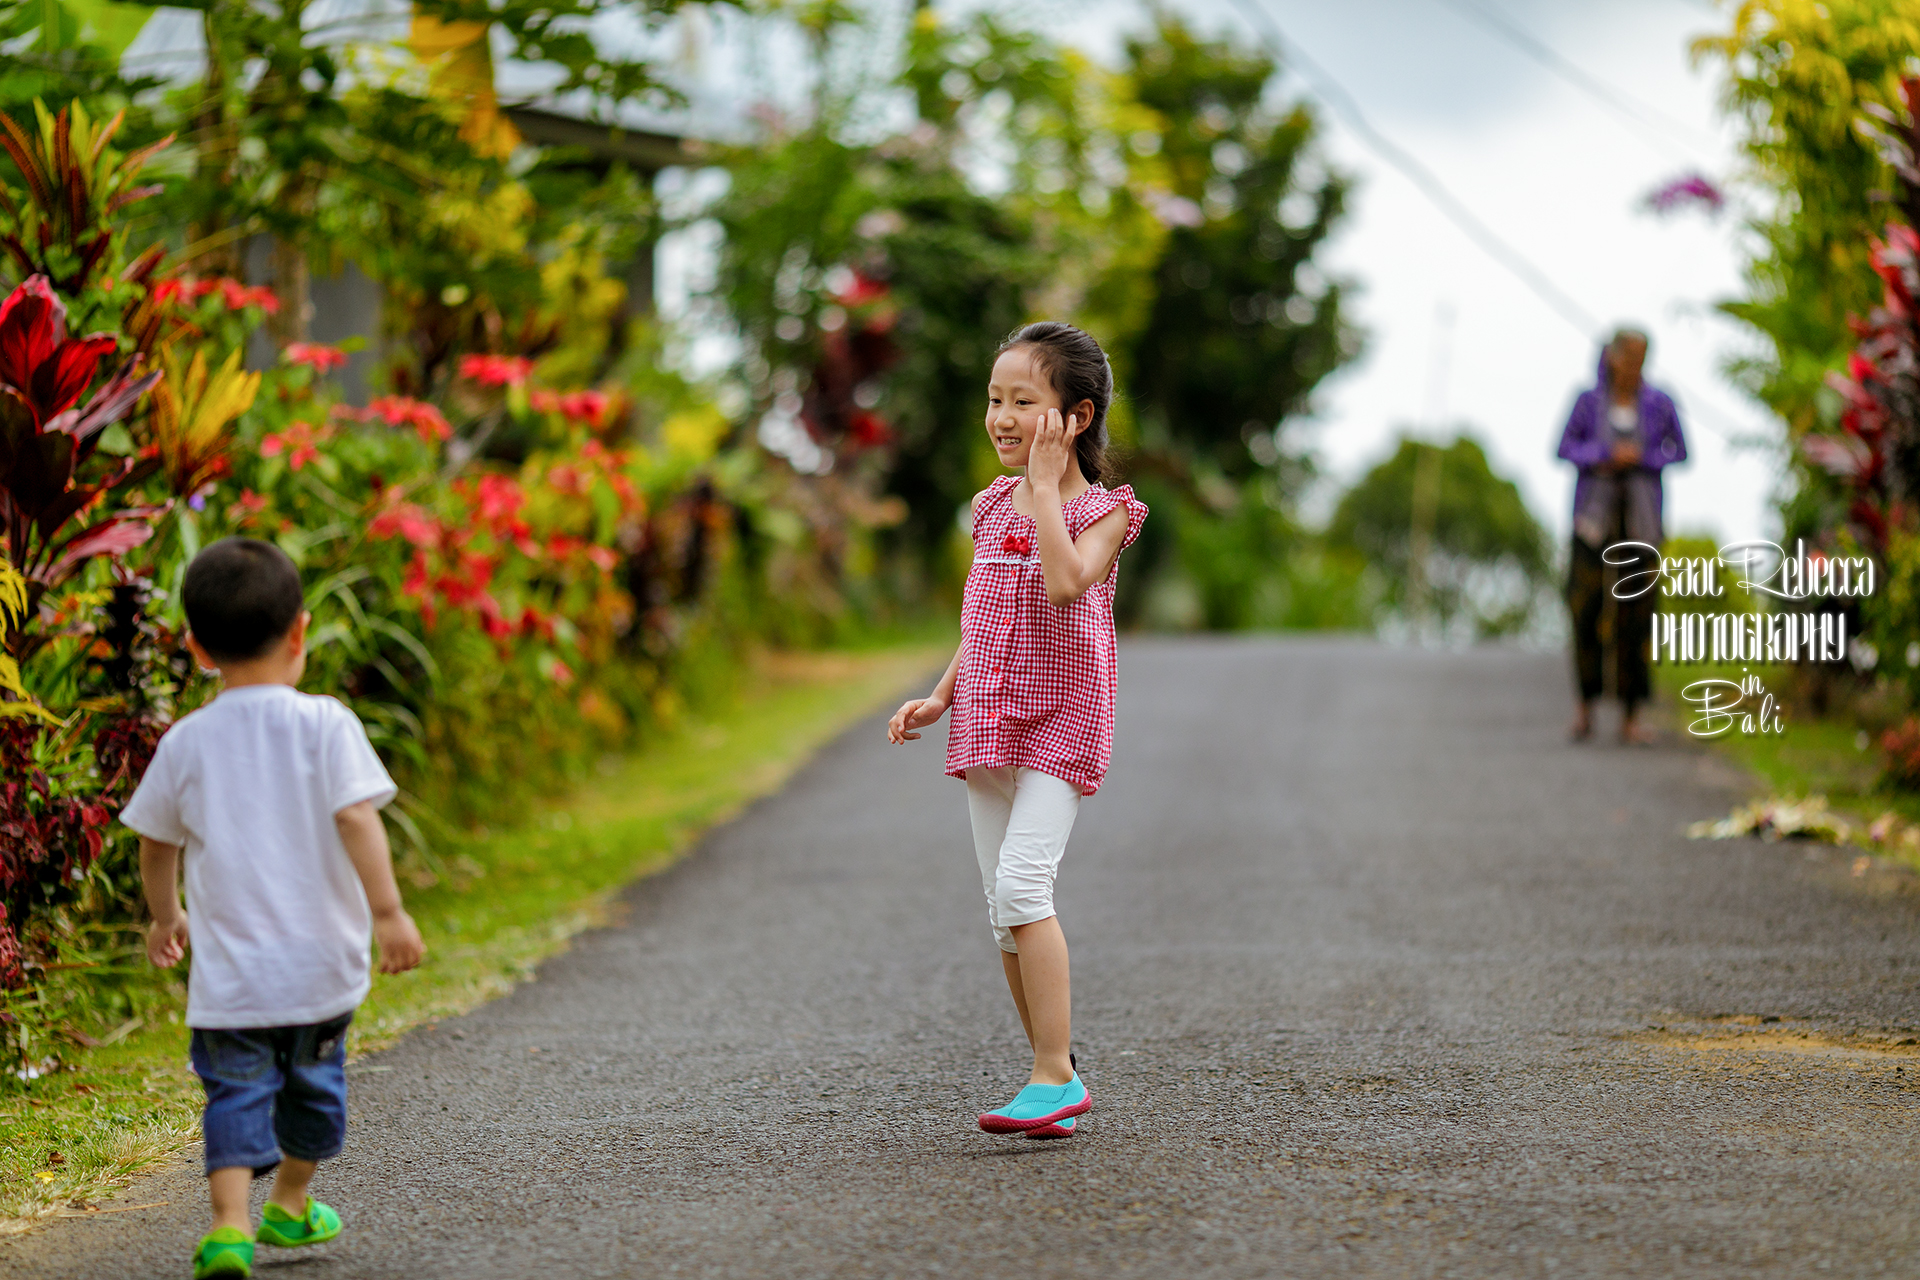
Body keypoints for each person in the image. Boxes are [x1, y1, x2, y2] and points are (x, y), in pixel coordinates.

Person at [120, 537, 425, 1280]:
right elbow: (358, 818)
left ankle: (232, 1227)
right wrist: (388, 912)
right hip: (321, 975)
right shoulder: (326, 725)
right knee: (315, 1095)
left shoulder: (186, 743)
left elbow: (156, 844)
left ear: (194, 647)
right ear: (301, 634)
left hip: (230, 988)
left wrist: (165, 917)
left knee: (234, 1095)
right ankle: (290, 1200)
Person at [887, 321, 1147, 1139]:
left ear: (1075, 416)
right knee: (1001, 911)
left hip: (1063, 721)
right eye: (994, 399)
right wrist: (939, 695)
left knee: (1025, 888)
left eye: (1023, 401)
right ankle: (1055, 1075)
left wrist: (1043, 491)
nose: (1001, 417)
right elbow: (987, 619)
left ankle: (1049, 1076)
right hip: (989, 716)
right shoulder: (986, 506)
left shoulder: (1109, 512)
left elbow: (1068, 585)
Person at [1557, 327, 1687, 744]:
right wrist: (1604, 456)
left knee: (1637, 617)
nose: (1635, 366)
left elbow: (1679, 451)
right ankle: (1585, 707)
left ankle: (1631, 715)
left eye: (1642, 358)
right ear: (1612, 357)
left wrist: (1643, 459)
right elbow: (1563, 448)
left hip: (1641, 524)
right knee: (1586, 610)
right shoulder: (1588, 403)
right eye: (1629, 357)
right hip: (1593, 523)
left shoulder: (1659, 403)